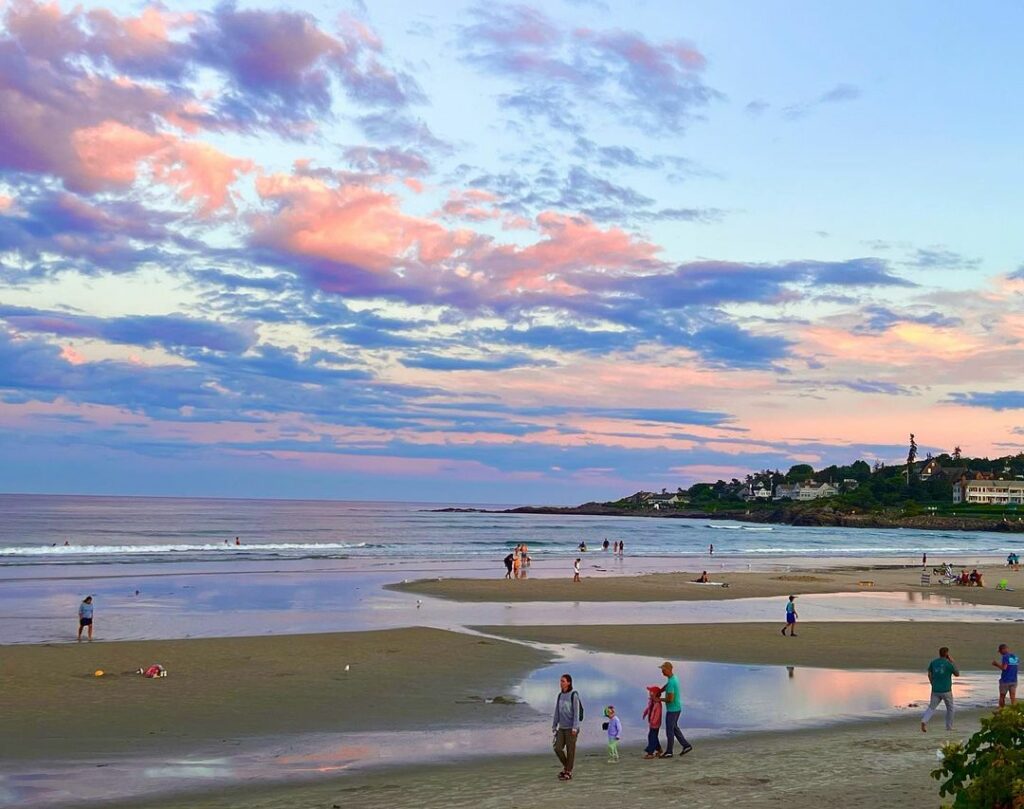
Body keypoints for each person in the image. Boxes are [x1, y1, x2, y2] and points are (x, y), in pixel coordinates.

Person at [921, 646, 960, 732]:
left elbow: (929, 674)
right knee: (950, 708)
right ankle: (949, 727)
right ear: (946, 654)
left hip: (935, 689)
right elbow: (957, 674)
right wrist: (952, 662)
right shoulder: (948, 664)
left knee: (931, 707)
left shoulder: (933, 662)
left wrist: (932, 683)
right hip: (946, 690)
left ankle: (924, 721)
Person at [658, 661, 692, 757]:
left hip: (672, 710)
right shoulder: (673, 678)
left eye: (663, 670)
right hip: (677, 708)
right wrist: (661, 690)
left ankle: (669, 752)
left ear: (668, 669)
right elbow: (667, 686)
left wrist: (658, 699)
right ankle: (686, 745)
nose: (662, 672)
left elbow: (670, 699)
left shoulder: (672, 682)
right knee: (674, 728)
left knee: (670, 730)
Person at [552, 673, 581, 781]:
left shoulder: (574, 695)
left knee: (570, 750)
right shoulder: (560, 695)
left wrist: (575, 727)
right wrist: (554, 725)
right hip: (562, 727)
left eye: (563, 681)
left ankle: (568, 772)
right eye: (560, 681)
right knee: (557, 748)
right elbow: (557, 711)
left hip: (571, 728)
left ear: (568, 683)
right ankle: (567, 767)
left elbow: (576, 713)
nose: (561, 683)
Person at [992, 643, 1019, 707]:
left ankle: (1001, 710)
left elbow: (1004, 668)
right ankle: (1015, 710)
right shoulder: (1015, 657)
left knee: (1002, 696)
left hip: (1005, 680)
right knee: (1013, 697)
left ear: (1003, 649)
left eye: (1000, 651)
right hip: (1014, 680)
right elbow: (1014, 668)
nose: (1000, 653)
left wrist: (996, 664)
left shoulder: (1005, 656)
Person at [642, 685, 663, 758]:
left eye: (651, 692)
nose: (649, 693)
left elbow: (657, 714)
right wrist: (645, 713)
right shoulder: (652, 702)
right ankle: (659, 749)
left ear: (654, 694)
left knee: (651, 737)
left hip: (655, 724)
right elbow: (649, 708)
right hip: (651, 723)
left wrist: (653, 722)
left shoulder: (657, 704)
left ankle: (650, 752)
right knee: (654, 736)